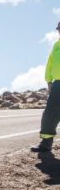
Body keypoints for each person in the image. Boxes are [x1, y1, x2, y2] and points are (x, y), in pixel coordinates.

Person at [32, 21, 60, 152]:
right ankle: (46, 144)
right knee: (49, 114)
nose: (59, 31)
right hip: (57, 84)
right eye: (59, 29)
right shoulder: (57, 45)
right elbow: (50, 63)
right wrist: (49, 80)